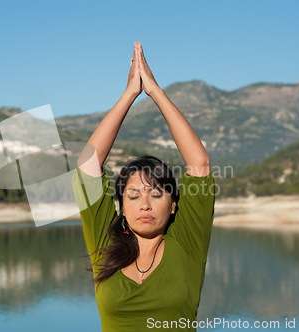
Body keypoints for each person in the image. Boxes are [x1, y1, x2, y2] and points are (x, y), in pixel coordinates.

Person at [72, 41, 216, 332]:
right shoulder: (106, 243)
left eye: (156, 193)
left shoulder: (187, 241)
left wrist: (155, 91)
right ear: (121, 206)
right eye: (133, 195)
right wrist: (129, 94)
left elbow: (199, 163)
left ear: (174, 204)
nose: (145, 204)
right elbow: (87, 165)